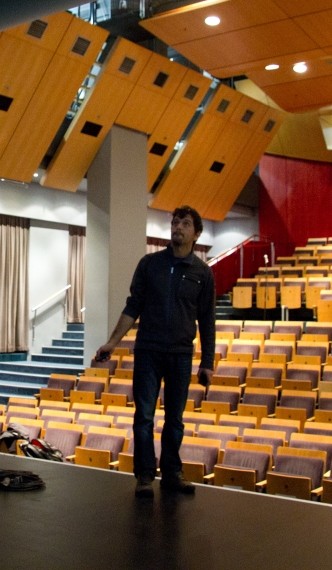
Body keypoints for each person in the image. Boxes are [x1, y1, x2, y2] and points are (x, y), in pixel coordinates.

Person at [93, 206, 215, 498]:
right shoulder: (149, 264)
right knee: (144, 416)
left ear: (196, 234)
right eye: (175, 222)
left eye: (185, 224)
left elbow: (207, 320)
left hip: (181, 354)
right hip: (148, 350)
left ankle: (172, 473)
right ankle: (145, 476)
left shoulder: (203, 273)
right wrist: (112, 342)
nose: (178, 227)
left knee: (175, 419)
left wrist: (207, 362)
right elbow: (133, 306)